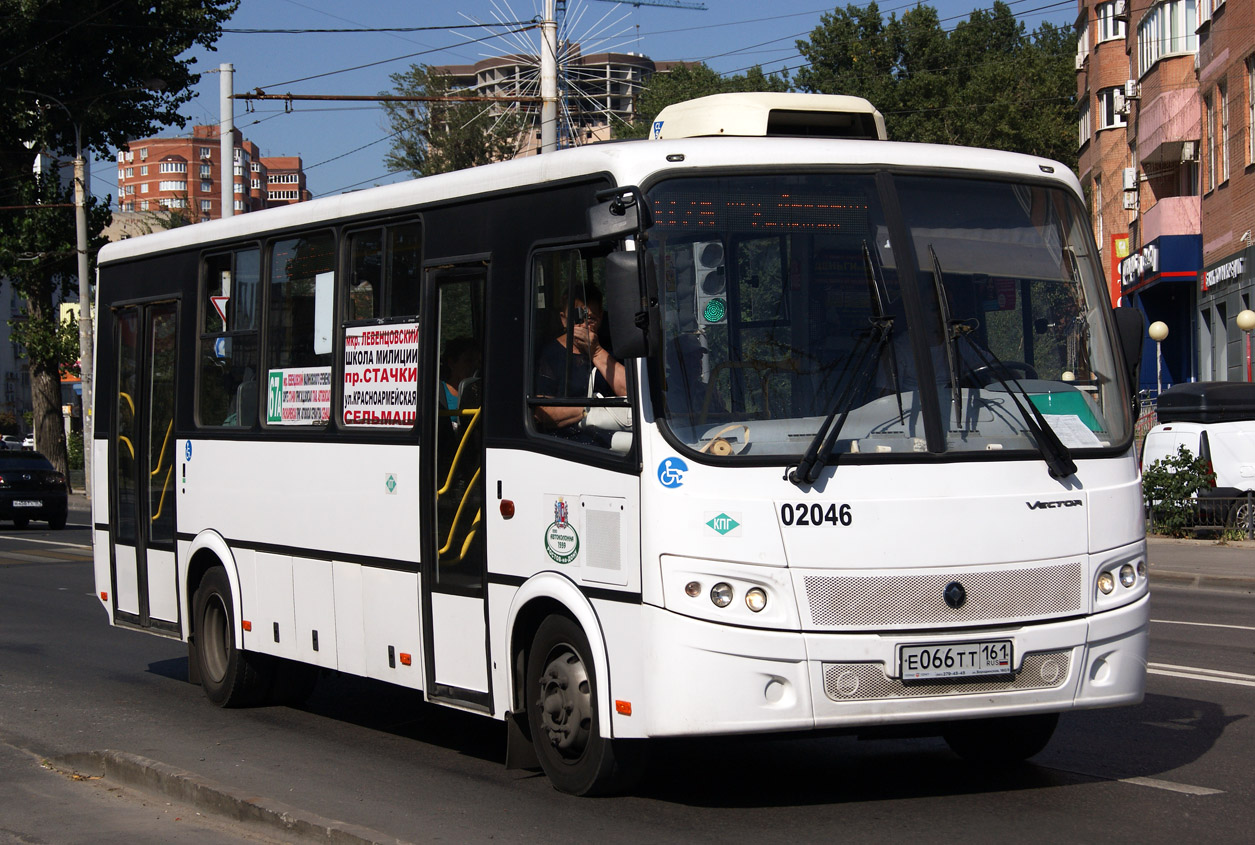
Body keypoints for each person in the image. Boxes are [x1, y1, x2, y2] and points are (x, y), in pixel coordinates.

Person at [534, 286, 626, 433]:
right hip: (571, 440)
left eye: (590, 319)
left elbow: (633, 393)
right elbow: (542, 412)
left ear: (601, 317)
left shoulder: (612, 348)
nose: (583, 326)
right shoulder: (551, 354)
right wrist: (588, 409)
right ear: (564, 320)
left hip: (615, 432)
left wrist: (596, 352)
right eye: (576, 319)